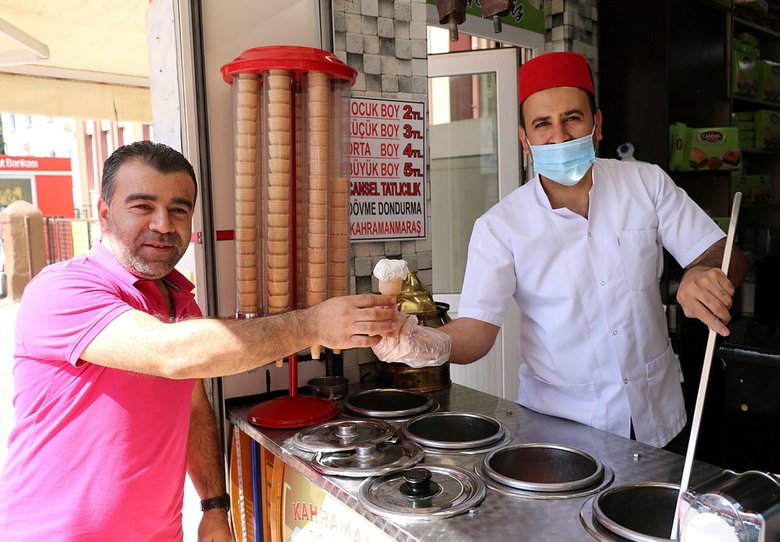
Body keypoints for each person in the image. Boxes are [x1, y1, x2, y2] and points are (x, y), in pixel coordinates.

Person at [0, 141, 397, 542]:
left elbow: (192, 406)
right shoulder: (63, 289)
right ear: (104, 213)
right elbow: (169, 354)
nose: (163, 224)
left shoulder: (178, 298)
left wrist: (214, 507)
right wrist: (313, 325)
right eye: (142, 206)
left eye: (178, 209)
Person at [374, 52, 747, 449]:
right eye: (542, 124)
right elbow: (477, 330)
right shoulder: (501, 227)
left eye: (572, 118)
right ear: (525, 140)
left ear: (597, 124)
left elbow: (724, 254)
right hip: (561, 432)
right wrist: (430, 344)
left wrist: (701, 275)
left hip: (658, 415)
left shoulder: (646, 183)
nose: (560, 136)